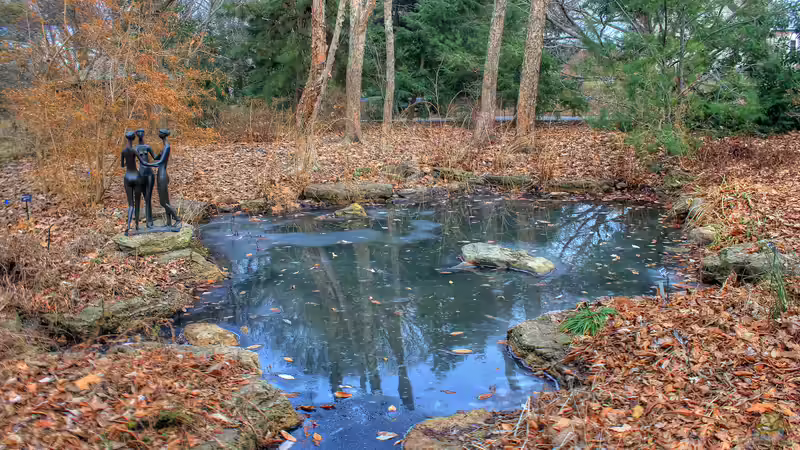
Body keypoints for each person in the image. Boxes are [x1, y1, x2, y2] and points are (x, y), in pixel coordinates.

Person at [138, 129, 181, 228]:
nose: (158, 134)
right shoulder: (164, 147)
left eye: (160, 133)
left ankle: (177, 219)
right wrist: (149, 152)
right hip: (160, 174)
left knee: (163, 202)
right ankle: (169, 223)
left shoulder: (167, 146)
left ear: (163, 135)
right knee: (166, 201)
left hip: (162, 175)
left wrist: (146, 163)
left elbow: (160, 162)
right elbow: (157, 158)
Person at [121, 131, 144, 235]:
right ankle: (138, 226)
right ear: (133, 139)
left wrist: (128, 162)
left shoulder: (123, 151)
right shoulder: (134, 150)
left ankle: (128, 226)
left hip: (127, 177)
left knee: (131, 204)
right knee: (137, 201)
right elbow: (142, 162)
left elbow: (122, 165)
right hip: (136, 176)